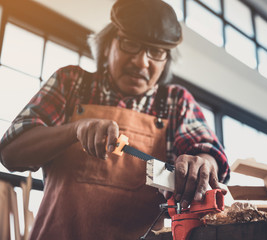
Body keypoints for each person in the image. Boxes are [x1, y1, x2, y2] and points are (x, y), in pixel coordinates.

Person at [0, 0, 230, 239]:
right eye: (131, 44)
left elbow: (210, 155)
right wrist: (74, 130)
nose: (142, 62)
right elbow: (11, 152)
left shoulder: (176, 103)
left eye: (156, 52)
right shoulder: (71, 83)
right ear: (108, 43)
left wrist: (202, 164)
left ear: (166, 60)